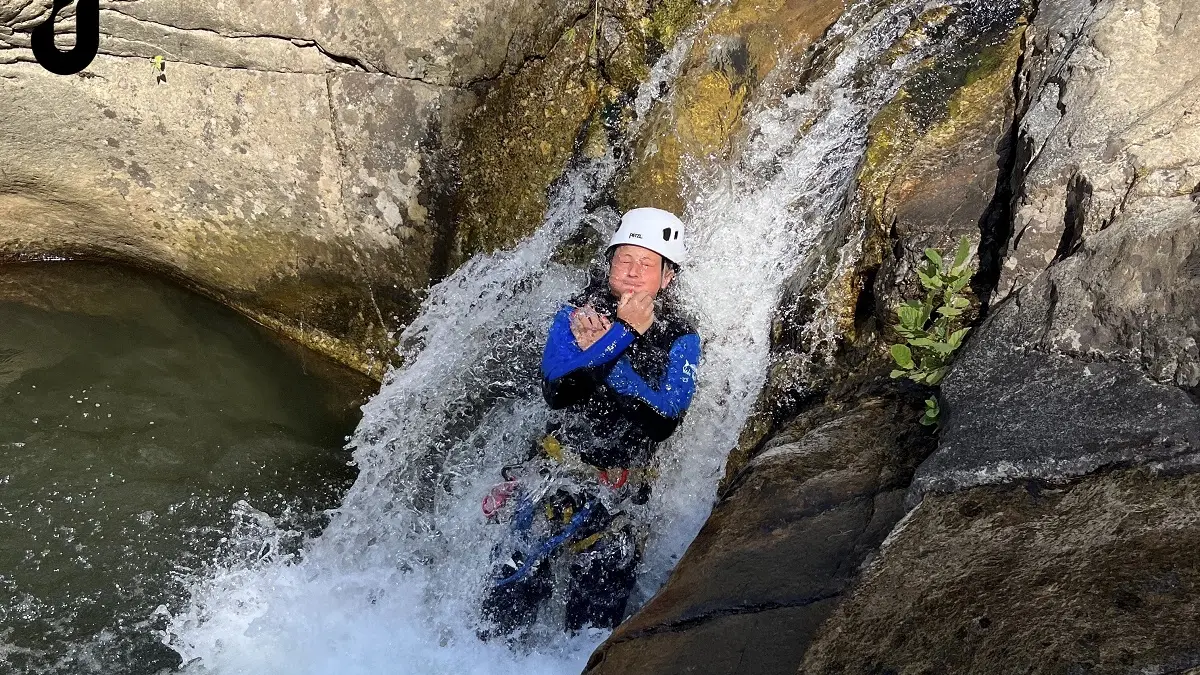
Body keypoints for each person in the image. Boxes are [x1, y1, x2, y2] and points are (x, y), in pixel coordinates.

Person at [478, 207, 701, 639]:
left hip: (619, 499)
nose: (634, 272)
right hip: (551, 478)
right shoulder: (575, 314)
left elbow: (663, 421)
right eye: (624, 260)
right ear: (609, 263)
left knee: (590, 635)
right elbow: (558, 390)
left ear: (667, 277)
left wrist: (610, 348)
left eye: (647, 263)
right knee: (501, 614)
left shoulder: (682, 337)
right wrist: (622, 336)